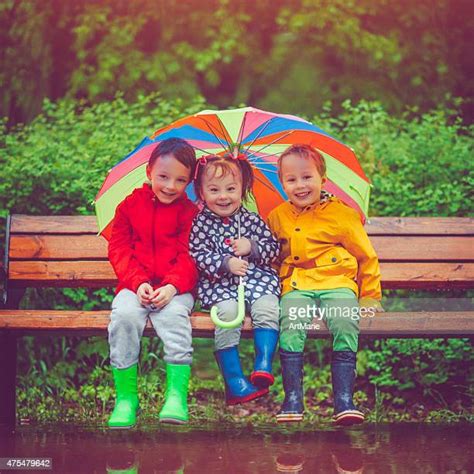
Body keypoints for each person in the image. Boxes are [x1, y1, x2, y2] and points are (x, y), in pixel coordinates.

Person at [267, 144, 383, 426]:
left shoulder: (342, 215)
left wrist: (369, 296)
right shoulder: (277, 216)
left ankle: (344, 400)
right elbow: (271, 257)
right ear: (282, 183)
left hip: (337, 282)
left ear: (323, 179)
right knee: (291, 324)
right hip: (296, 285)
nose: (300, 185)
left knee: (345, 321)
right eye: (291, 180)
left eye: (307, 177)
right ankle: (293, 398)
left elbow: (365, 257)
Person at [107, 137, 198, 428]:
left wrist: (172, 286)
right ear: (149, 171)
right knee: (124, 316)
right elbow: (119, 249)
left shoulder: (191, 213)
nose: (171, 186)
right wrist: (138, 282)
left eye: (180, 180)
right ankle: (126, 398)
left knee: (174, 317)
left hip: (176, 289)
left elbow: (191, 255)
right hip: (135, 286)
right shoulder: (129, 206)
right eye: (163, 176)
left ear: (189, 182)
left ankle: (175, 395)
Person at [190, 152, 280, 405]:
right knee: (227, 316)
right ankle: (235, 383)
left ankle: (263, 363)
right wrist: (225, 262)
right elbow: (197, 255)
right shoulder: (200, 223)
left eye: (231, 188)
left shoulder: (251, 220)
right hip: (220, 286)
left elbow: (273, 247)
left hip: (256, 280)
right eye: (214, 189)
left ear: (243, 189)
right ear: (201, 191)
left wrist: (251, 246)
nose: (223, 196)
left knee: (268, 306)